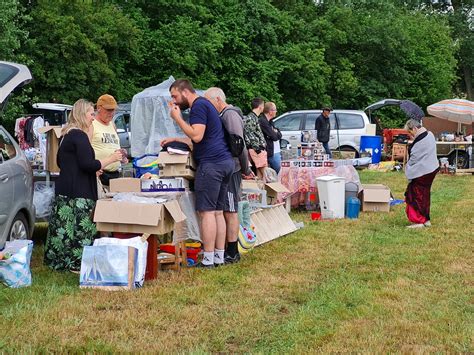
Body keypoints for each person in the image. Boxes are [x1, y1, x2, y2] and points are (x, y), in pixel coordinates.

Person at [44, 99, 122, 272]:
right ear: (81, 114)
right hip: (80, 192)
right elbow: (88, 163)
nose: (93, 118)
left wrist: (87, 169)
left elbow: (61, 162)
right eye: (91, 114)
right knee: (81, 229)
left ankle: (59, 262)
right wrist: (110, 159)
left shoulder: (66, 135)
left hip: (65, 190)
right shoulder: (79, 135)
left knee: (64, 229)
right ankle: (77, 264)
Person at [164, 79, 234, 268]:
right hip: (225, 162)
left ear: (185, 92)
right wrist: (176, 138)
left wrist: (177, 118)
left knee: (207, 213)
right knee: (218, 212)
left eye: (175, 96)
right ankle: (219, 256)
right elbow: (202, 137)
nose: (175, 101)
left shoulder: (198, 107)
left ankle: (208, 258)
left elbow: (197, 135)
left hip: (211, 165)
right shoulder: (207, 105)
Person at [204, 87, 252, 264]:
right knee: (225, 209)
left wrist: (246, 168)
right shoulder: (223, 115)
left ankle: (232, 251)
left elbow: (239, 144)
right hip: (228, 167)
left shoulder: (229, 115)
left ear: (218, 99)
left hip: (233, 169)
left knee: (231, 210)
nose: (207, 106)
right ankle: (226, 249)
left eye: (209, 102)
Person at [404, 119, 439, 228]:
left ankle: (419, 220)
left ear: (415, 128)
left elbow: (414, 158)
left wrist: (407, 167)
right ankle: (426, 219)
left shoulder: (419, 141)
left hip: (423, 172)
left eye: (410, 132)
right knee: (425, 194)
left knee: (416, 194)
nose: (410, 135)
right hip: (432, 169)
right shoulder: (430, 134)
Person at [90, 94, 126, 187]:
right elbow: (84, 149)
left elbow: (114, 145)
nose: (111, 113)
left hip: (115, 174)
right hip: (99, 173)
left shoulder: (112, 124)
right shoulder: (91, 124)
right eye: (108, 110)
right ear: (98, 108)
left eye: (113, 110)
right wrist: (92, 168)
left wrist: (122, 154)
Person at [243, 98, 267, 180]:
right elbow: (250, 134)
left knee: (260, 173)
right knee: (265, 173)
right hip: (257, 149)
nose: (264, 108)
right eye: (263, 105)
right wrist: (258, 149)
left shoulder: (254, 117)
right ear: (260, 107)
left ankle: (261, 192)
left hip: (258, 148)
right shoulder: (250, 118)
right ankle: (270, 191)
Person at [259, 102, 282, 173]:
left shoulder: (270, 121)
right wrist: (275, 133)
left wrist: (276, 132)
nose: (276, 111)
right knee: (279, 172)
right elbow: (274, 137)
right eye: (275, 110)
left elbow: (279, 134)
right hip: (271, 152)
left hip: (275, 151)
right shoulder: (263, 121)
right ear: (270, 112)